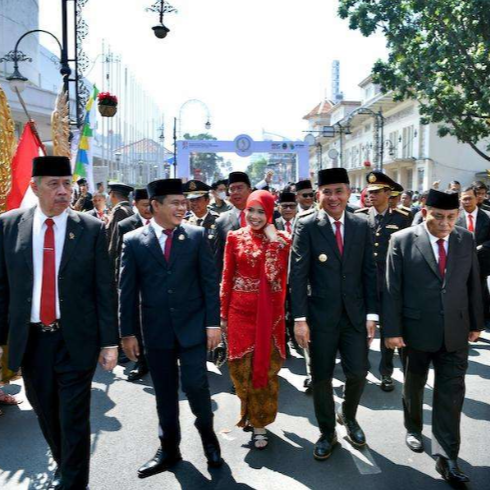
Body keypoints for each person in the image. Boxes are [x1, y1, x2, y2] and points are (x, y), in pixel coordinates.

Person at [0, 156, 118, 489]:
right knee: (46, 411)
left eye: (67, 183)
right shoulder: (9, 226)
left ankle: (73, 482)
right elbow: (3, 288)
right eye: (54, 184)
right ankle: (66, 465)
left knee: (73, 417)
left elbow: (104, 289)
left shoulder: (90, 228)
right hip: (32, 341)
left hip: (75, 339)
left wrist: (110, 342)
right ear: (35, 187)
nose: (64, 191)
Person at [119, 178, 223, 478]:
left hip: (193, 329)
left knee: (196, 387)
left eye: (184, 202)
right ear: (155, 205)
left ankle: (209, 439)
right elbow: (127, 291)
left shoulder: (195, 236)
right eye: (175, 202)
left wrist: (213, 324)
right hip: (156, 332)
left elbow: (209, 283)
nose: (182, 207)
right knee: (164, 394)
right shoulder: (134, 241)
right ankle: (169, 449)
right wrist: (127, 333)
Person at [383, 189, 483, 485]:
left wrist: (476, 322)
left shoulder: (465, 239)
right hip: (415, 331)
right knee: (414, 386)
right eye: (438, 216)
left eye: (451, 217)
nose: (445, 223)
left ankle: (447, 457)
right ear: (425, 212)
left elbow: (473, 283)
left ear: (458, 215)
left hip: (455, 330)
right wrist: (392, 330)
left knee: (451, 394)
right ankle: (413, 427)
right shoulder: (401, 240)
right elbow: (392, 289)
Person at [290, 168, 378, 460]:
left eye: (339, 191)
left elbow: (369, 272)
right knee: (321, 377)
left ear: (349, 192)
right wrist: (300, 320)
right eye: (327, 192)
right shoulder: (307, 225)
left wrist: (372, 315)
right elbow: (298, 275)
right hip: (320, 318)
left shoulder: (361, 224)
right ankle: (327, 432)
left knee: (358, 372)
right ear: (319, 195)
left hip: (354, 316)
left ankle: (349, 416)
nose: (333, 197)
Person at [221, 190, 291, 449]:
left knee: (265, 371)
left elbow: (273, 274)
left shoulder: (282, 240)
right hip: (239, 313)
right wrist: (223, 314)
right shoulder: (234, 237)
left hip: (269, 317)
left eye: (261, 211)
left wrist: (272, 240)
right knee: (240, 372)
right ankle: (248, 410)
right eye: (251, 210)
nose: (255, 216)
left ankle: (259, 423)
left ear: (270, 213)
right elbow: (227, 276)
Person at [355, 172, 411, 392]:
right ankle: (360, 369)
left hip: (389, 282)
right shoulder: (359, 216)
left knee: (389, 328)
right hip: (364, 282)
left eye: (377, 192)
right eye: (369, 192)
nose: (371, 195)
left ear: (389, 193)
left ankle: (386, 373)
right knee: (361, 329)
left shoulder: (402, 218)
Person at [116, 188, 152, 382]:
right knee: (137, 325)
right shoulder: (125, 225)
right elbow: (116, 256)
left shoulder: (162, 222)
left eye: (151, 204)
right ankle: (141, 362)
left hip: (157, 284)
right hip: (135, 285)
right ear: (135, 204)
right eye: (144, 205)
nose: (148, 209)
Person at [457, 186, 490, 326]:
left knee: (480, 291)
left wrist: (481, 247)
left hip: (481, 261)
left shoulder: (487, 216)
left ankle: (481, 320)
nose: (467, 202)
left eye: (469, 198)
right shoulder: (455, 217)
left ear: (477, 199)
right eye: (463, 199)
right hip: (460, 262)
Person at [214, 172, 253, 275]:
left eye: (239, 188)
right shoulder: (221, 221)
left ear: (250, 190)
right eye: (232, 189)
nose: (235, 192)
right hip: (233, 279)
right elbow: (218, 259)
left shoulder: (262, 217)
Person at [106, 183, 134, 267]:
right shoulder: (129, 210)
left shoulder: (120, 211)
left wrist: (109, 264)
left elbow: (114, 241)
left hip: (120, 261)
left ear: (113, 194)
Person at [183, 180, 220, 244]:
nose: (194, 203)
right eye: (192, 200)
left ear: (207, 201)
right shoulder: (185, 222)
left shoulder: (218, 221)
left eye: (198, 199)